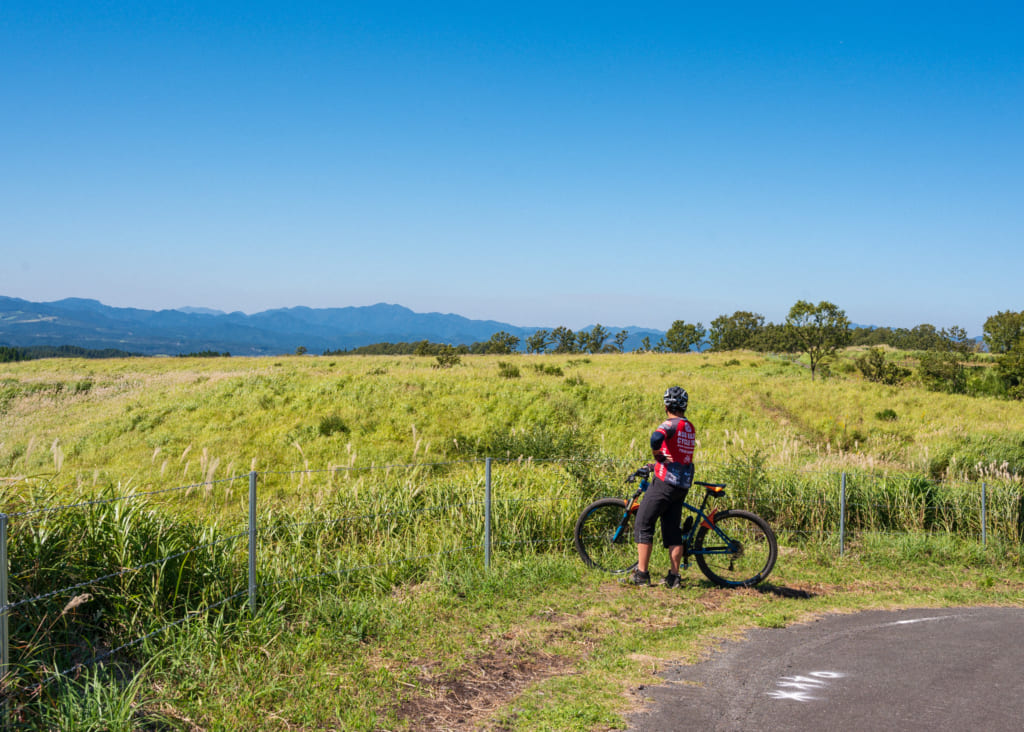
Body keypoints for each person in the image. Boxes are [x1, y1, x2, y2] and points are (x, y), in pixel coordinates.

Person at [628, 386, 696, 587]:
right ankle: (674, 577)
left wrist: (656, 454)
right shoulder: (689, 426)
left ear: (667, 405)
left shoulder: (670, 424)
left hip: (665, 483)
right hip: (681, 485)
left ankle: (642, 574)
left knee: (644, 523)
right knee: (672, 529)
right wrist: (656, 463)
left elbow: (656, 438)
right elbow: (677, 454)